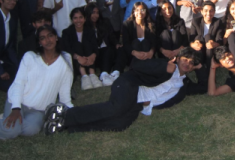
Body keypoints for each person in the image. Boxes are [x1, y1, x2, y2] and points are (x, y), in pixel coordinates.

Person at [43, 49, 203, 135]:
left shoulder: (184, 87)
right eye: (185, 59)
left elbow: (203, 87)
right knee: (116, 108)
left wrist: (200, 67)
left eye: (191, 63)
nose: (188, 64)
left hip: (139, 104)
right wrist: (164, 67)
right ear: (178, 58)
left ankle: (66, 127)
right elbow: (136, 65)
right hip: (129, 85)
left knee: (120, 124)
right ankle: (66, 114)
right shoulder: (165, 65)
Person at [0, 26, 74, 140]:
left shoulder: (65, 60)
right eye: (43, 38)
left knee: (31, 130)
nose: (48, 40)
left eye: (50, 36)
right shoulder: (30, 57)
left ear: (56, 37)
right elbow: (18, 83)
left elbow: (64, 96)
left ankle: (2, 123)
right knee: (11, 131)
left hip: (39, 110)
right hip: (19, 102)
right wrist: (16, 108)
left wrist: (74, 115)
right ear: (39, 42)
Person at [61, 7, 101, 91]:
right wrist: (78, 58)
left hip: (90, 60)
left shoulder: (90, 31)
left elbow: (95, 47)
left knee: (86, 44)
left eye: (80, 17)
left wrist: (92, 56)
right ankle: (84, 76)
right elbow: (67, 49)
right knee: (77, 44)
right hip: (76, 61)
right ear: (72, 20)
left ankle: (92, 74)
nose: (78, 20)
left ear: (85, 18)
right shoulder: (66, 32)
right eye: (75, 18)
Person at [189, 1, 224, 89]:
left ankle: (209, 73)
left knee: (208, 37)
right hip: (199, 50)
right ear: (201, 11)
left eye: (211, 11)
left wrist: (213, 44)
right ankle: (202, 75)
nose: (208, 13)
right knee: (199, 38)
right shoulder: (195, 21)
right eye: (206, 10)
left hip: (211, 52)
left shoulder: (218, 22)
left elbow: (220, 41)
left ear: (214, 12)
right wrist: (194, 44)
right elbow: (190, 40)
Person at [85, 3, 122, 87]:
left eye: (97, 13)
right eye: (93, 12)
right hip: (97, 54)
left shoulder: (105, 22)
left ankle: (116, 72)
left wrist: (116, 44)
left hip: (109, 49)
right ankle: (104, 74)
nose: (96, 15)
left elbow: (111, 36)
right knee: (107, 50)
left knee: (121, 50)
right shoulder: (86, 27)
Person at [121, 1, 156, 67]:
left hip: (147, 54)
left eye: (142, 10)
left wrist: (151, 52)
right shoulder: (127, 24)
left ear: (146, 12)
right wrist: (135, 53)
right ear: (133, 12)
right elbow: (126, 43)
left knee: (145, 42)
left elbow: (154, 42)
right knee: (136, 42)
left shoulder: (151, 24)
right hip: (133, 55)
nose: (140, 13)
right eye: (137, 10)